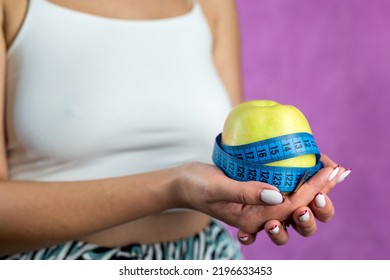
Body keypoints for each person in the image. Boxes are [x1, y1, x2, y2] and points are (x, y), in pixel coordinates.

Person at [0, 0, 351, 260]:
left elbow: (230, 157)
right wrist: (174, 187)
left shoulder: (211, 5)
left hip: (207, 256)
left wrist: (278, 183)